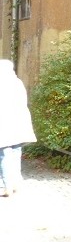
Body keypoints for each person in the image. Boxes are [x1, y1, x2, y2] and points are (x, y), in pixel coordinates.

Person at [0, 59, 36, 197]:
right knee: (15, 152)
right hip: (18, 122)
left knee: (4, 154)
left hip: (4, 124)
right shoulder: (17, 82)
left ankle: (6, 186)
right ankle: (15, 184)